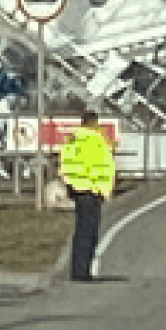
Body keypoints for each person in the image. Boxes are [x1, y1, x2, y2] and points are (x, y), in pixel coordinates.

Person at [57, 110, 115, 282]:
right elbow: (105, 167)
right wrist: (106, 191)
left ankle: (77, 269)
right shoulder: (98, 140)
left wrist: (70, 184)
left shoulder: (72, 139)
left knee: (80, 230)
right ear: (94, 123)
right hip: (92, 189)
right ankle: (84, 271)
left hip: (77, 189)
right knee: (90, 232)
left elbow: (64, 164)